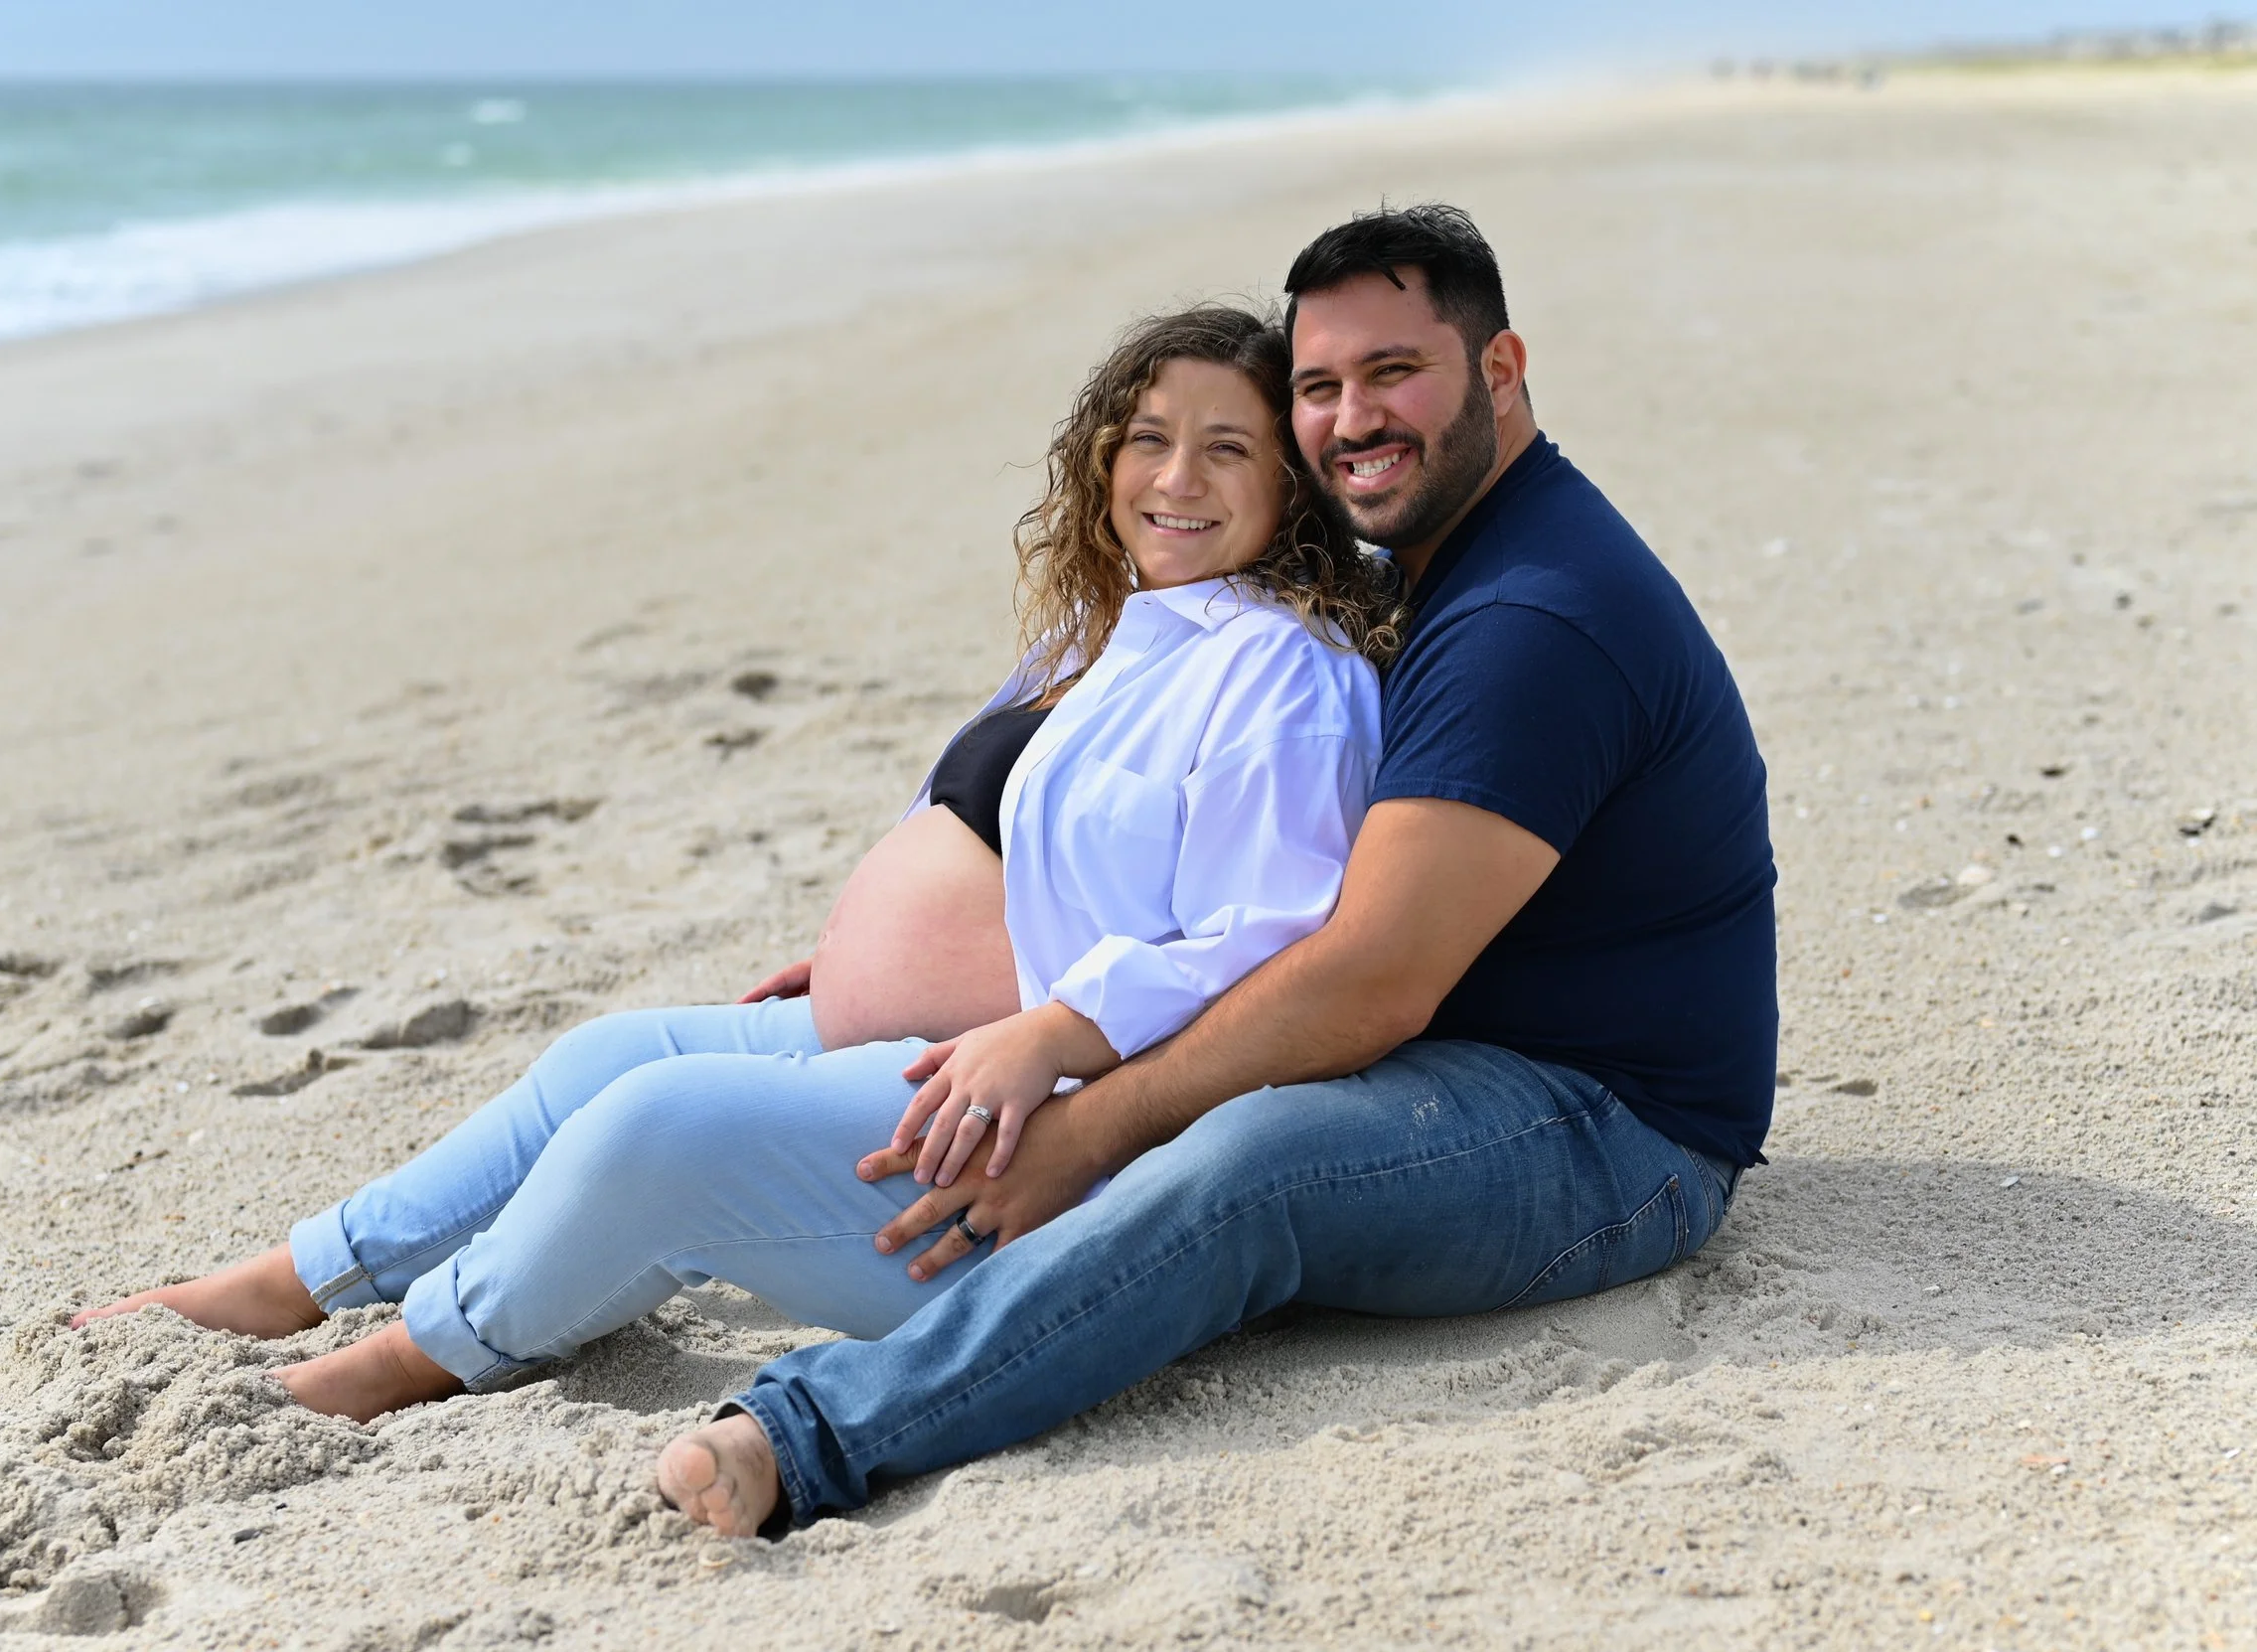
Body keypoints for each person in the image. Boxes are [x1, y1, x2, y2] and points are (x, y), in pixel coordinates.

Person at [653, 203, 1777, 1539]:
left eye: (1395, 372)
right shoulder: (1426, 552)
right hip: (1445, 1046)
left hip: (1609, 1127)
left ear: (1501, 367)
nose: (1353, 418)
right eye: (1320, 385)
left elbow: (1370, 981)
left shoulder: (1532, 618)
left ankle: (821, 1432)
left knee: (1250, 1161)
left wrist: (1092, 1128)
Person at [72, 306, 1400, 1425]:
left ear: (1291, 486)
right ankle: (301, 1276)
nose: (1177, 478)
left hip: (1051, 1124)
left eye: (1228, 448)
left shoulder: (1285, 671)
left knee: (661, 1128)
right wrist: (863, 951)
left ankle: (414, 1355)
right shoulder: (1122, 629)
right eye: (1149, 439)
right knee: (604, 1058)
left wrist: (1054, 1028)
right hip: (933, 1039)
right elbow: (1042, 851)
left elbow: (1271, 940)